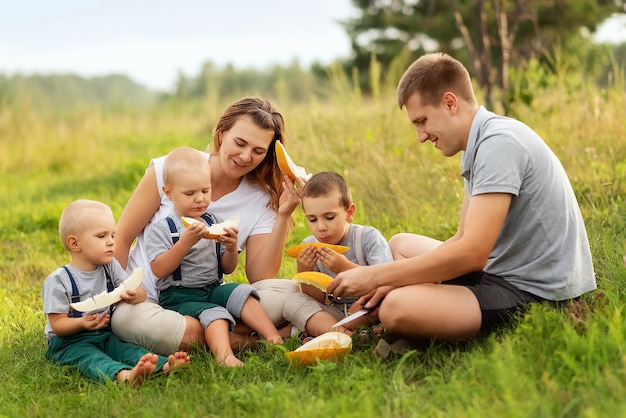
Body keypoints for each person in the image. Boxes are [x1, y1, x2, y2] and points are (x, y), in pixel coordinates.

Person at [327, 52, 596, 357]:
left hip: (536, 293)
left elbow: (472, 254)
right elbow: (461, 239)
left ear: (450, 103)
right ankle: (425, 323)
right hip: (501, 271)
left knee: (396, 308)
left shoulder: (499, 145)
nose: (421, 136)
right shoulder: (481, 142)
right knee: (400, 245)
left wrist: (376, 277)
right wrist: (394, 277)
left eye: (422, 121)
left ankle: (424, 330)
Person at [111, 97, 303, 356]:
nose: (246, 156)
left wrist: (282, 215)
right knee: (125, 320)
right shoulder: (169, 170)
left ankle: (203, 334)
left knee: (287, 292)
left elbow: (260, 277)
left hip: (205, 298)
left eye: (258, 151)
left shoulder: (261, 199)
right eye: (240, 143)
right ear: (222, 134)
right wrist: (115, 295)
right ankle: (242, 339)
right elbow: (121, 239)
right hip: (146, 300)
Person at [145, 147, 283, 366]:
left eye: (205, 190)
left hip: (213, 288)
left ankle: (273, 337)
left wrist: (230, 248)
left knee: (241, 291)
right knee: (215, 313)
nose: (200, 199)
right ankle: (225, 357)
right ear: (169, 193)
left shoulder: (213, 221)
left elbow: (227, 269)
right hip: (180, 297)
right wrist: (184, 243)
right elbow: (158, 269)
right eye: (190, 194)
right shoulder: (162, 229)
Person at [42, 199, 190, 385]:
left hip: (105, 334)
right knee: (91, 358)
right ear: (75, 243)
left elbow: (138, 291)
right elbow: (57, 324)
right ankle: (124, 376)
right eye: (102, 236)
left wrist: (136, 295)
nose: (111, 242)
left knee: (126, 349)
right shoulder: (59, 280)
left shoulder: (109, 267)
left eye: (112, 235)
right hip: (69, 342)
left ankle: (161, 365)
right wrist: (81, 323)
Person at [283, 171, 393, 338]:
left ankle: (327, 333)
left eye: (329, 217)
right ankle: (347, 335)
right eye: (312, 220)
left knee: (385, 305)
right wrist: (306, 272)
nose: (320, 227)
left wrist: (344, 267)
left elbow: (385, 283)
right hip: (336, 312)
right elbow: (317, 299)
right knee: (293, 302)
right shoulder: (309, 245)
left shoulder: (368, 237)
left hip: (369, 308)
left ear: (349, 213)